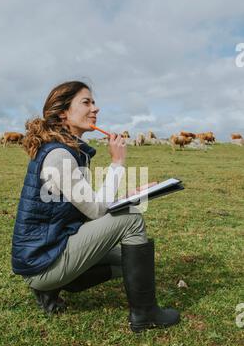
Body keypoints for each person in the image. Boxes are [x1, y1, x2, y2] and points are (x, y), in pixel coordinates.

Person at [11, 81, 180, 332]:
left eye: (94, 102)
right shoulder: (60, 156)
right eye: (86, 102)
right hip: (43, 261)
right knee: (132, 219)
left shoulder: (69, 150)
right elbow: (97, 212)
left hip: (53, 248)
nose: (95, 108)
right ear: (63, 113)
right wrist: (117, 163)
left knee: (131, 260)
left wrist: (129, 194)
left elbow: (89, 206)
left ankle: (51, 287)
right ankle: (145, 314)